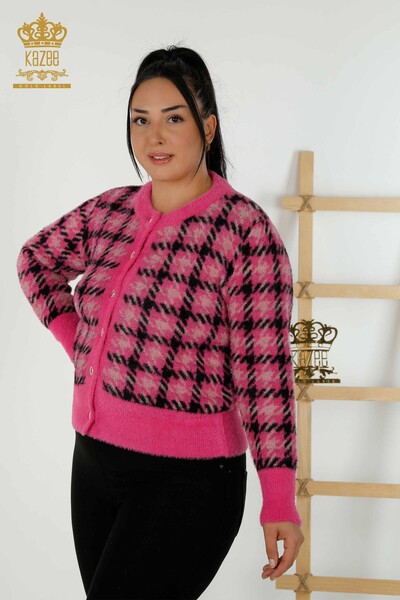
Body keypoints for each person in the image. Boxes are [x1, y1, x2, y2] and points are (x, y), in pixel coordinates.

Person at [16, 45, 304, 599]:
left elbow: (265, 373)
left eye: (174, 119)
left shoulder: (244, 232)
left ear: (208, 127)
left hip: (188, 484)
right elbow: (36, 261)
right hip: (94, 465)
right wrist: (83, 347)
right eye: (140, 120)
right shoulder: (110, 211)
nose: (154, 137)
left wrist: (278, 498)